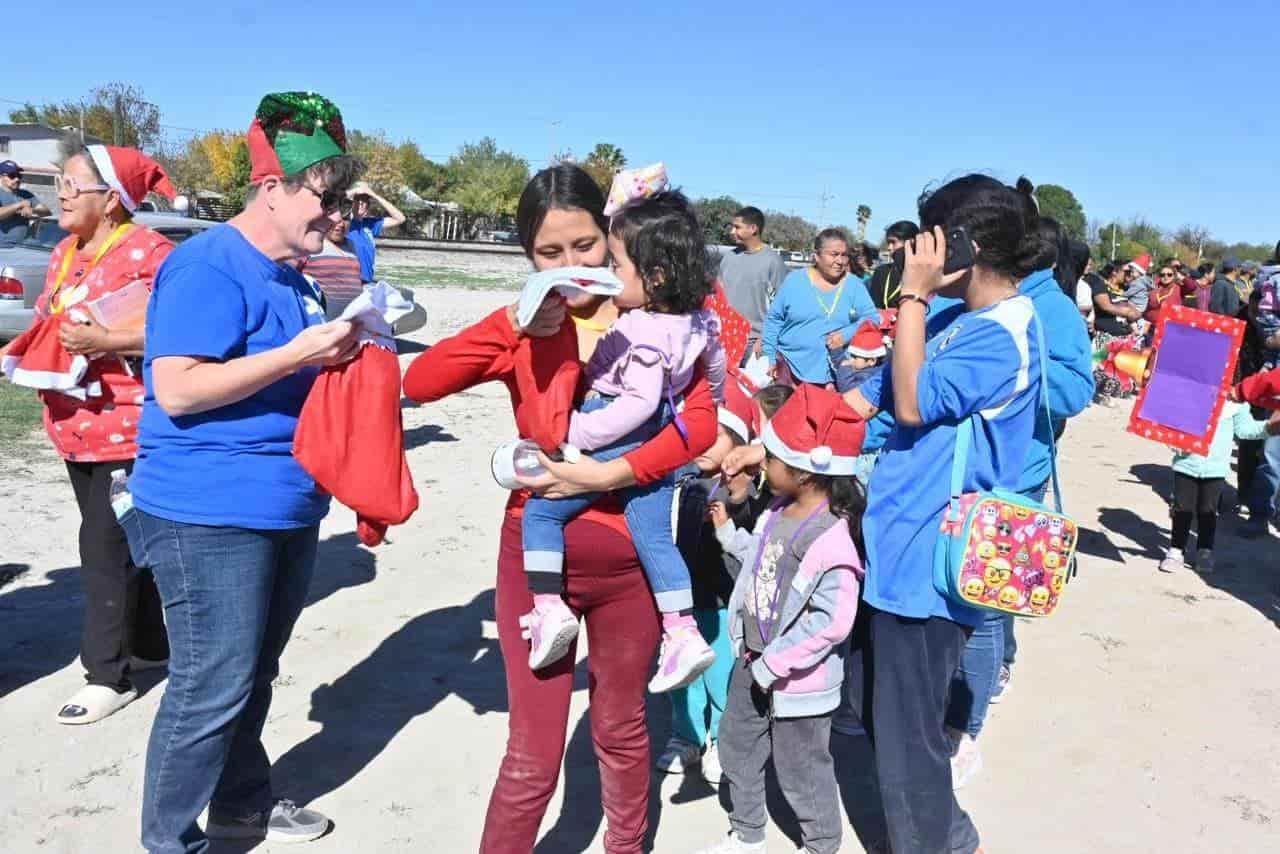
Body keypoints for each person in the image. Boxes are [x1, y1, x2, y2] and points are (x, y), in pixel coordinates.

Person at [402, 162, 717, 854]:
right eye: (550, 253)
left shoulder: (657, 317)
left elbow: (701, 423)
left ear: (611, 237)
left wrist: (607, 471)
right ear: (527, 256)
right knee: (532, 753)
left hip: (630, 560)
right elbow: (420, 382)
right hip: (535, 559)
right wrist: (516, 327)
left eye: (585, 246)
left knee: (621, 730)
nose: (572, 265)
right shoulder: (524, 325)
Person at [129, 91, 365, 852]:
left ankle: (242, 804)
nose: (337, 221)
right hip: (209, 513)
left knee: (249, 676)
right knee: (209, 687)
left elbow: (288, 380)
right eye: (327, 203)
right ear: (272, 189)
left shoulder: (295, 276)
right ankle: (169, 841)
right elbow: (180, 388)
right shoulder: (208, 264)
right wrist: (303, 351)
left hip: (282, 506)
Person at [844, 174, 1052, 854]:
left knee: (907, 748)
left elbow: (910, 404)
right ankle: (954, 838)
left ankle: (942, 845)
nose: (915, 249)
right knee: (882, 720)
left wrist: (912, 292)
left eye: (930, 236)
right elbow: (875, 398)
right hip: (897, 546)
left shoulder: (1002, 335)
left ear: (962, 243)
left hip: (932, 565)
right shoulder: (956, 318)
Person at [518, 188, 725, 692]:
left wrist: (578, 433)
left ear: (653, 278)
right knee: (653, 536)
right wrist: (706, 396)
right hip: (659, 438)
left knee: (541, 513)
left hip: (614, 433)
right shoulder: (699, 320)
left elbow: (636, 403)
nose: (608, 273)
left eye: (616, 263)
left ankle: (547, 606)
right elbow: (715, 370)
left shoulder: (646, 332)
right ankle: (681, 631)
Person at [0, 141, 173, 724]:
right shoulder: (66, 251)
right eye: (62, 185)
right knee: (124, 540)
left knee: (102, 546)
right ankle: (151, 646)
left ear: (114, 199)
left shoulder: (154, 255)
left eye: (73, 186)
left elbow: (179, 334)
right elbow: (54, 319)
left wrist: (107, 342)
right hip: (74, 423)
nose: (62, 196)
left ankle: (108, 673)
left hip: (129, 424)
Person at [944, 197, 1094, 774]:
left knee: (985, 598)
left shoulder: (1051, 309)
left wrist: (1019, 369)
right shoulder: (970, 294)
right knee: (968, 593)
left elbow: (1075, 392)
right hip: (958, 472)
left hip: (1012, 482)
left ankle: (969, 725)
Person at [697, 384, 865, 854]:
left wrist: (776, 664)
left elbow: (831, 621)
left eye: (770, 458)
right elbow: (761, 562)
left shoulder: (833, 541)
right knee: (736, 746)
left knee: (802, 770)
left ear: (806, 473)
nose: (762, 465)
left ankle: (820, 844)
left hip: (799, 683)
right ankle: (748, 833)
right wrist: (730, 534)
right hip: (752, 660)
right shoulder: (776, 510)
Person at [657, 375, 760, 785]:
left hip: (722, 602)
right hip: (679, 600)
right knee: (682, 675)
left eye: (712, 435)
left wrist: (732, 502)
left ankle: (721, 739)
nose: (698, 442)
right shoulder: (679, 478)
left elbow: (749, 544)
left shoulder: (744, 493)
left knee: (722, 675)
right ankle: (686, 737)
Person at [1160, 392, 1275, 573]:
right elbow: (1174, 425)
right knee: (1182, 508)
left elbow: (1246, 430)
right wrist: (1175, 443)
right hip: (1186, 465)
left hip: (1215, 470)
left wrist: (1270, 426)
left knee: (1208, 511)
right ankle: (1176, 549)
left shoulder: (1235, 404)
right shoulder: (1191, 395)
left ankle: (1204, 551)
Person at [762, 228, 877, 386]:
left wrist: (847, 334)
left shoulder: (854, 285)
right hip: (790, 370)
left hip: (835, 374)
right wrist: (769, 355)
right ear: (816, 256)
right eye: (834, 254)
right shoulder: (794, 281)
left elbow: (872, 318)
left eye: (844, 255)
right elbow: (774, 319)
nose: (840, 261)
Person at [719, 206, 789, 361]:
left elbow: (783, 306)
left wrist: (766, 337)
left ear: (753, 229)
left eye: (737, 227)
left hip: (754, 343)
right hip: (724, 338)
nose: (732, 231)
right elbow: (718, 296)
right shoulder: (729, 257)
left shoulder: (773, 262)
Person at [297, 214, 363, 318]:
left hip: (353, 320)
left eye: (345, 219)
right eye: (336, 219)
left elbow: (357, 280)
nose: (341, 224)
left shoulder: (351, 245)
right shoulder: (311, 243)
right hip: (324, 322)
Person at [345, 180, 406, 282]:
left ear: (368, 206)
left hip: (368, 281)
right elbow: (334, 200)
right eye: (357, 199)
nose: (360, 203)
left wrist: (374, 195)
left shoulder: (371, 224)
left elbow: (400, 218)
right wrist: (355, 191)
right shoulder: (344, 224)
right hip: (351, 282)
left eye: (364, 200)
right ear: (351, 203)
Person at [866, 220, 919, 309]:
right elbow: (874, 309)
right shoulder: (881, 272)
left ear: (911, 242)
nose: (889, 248)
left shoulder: (924, 272)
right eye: (888, 243)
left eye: (893, 242)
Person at [0, 159, 51, 244]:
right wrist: (20, 205)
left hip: (24, 247)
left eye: (19, 175)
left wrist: (33, 210)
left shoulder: (26, 194)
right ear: (1, 176)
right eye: (12, 175)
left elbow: (47, 212)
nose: (17, 179)